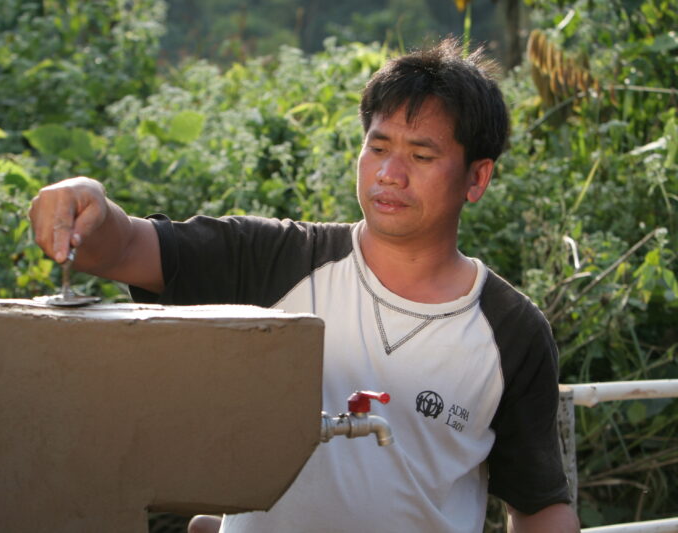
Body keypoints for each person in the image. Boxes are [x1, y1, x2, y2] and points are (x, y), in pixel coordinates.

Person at [29, 38, 580, 532]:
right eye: (379, 146)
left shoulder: (510, 331)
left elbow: (537, 506)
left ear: (477, 177)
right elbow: (125, 249)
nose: (389, 173)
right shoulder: (278, 261)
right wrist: (86, 203)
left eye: (421, 155)